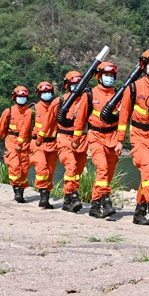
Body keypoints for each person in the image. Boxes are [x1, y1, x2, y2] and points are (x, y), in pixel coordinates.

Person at [118, 49, 149, 226]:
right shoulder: (133, 88)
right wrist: (119, 140)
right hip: (138, 136)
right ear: (144, 66)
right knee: (147, 167)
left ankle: (139, 212)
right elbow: (124, 115)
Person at [75, 62, 124, 219]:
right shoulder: (89, 95)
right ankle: (106, 201)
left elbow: (122, 120)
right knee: (102, 168)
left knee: (107, 174)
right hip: (95, 137)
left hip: (113, 137)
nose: (109, 78)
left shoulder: (118, 95)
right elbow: (81, 119)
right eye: (106, 75)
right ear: (99, 76)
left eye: (111, 75)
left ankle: (95, 205)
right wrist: (76, 138)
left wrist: (120, 141)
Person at [0, 85, 33, 203]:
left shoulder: (29, 112)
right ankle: (17, 191)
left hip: (26, 144)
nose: (22, 99)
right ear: (14, 97)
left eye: (23, 97)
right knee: (14, 166)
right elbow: (0, 128)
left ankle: (21, 190)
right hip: (11, 142)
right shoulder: (8, 111)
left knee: (24, 170)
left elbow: (26, 129)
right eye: (19, 96)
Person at [57, 71, 88, 212]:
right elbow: (48, 122)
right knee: (71, 166)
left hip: (82, 140)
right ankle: (74, 196)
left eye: (79, 84)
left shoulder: (86, 101)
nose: (77, 87)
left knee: (77, 171)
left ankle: (67, 199)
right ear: (67, 85)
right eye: (74, 84)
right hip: (64, 139)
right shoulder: (61, 101)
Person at [30, 81, 61, 209]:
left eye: (48, 92)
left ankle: (46, 197)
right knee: (42, 168)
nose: (46, 95)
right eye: (43, 93)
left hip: (53, 144)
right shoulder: (33, 109)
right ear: (38, 94)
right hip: (37, 143)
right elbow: (25, 127)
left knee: (51, 171)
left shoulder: (58, 107)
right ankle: (42, 195)